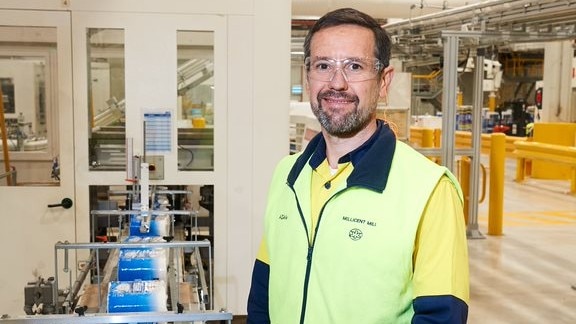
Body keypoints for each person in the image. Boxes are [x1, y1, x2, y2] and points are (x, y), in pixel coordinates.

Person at [247, 7, 469, 324]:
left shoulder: (430, 190)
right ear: (307, 77)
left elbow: (442, 316)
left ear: (383, 81)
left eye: (354, 66)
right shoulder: (287, 173)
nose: (337, 83)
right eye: (323, 65)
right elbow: (263, 292)